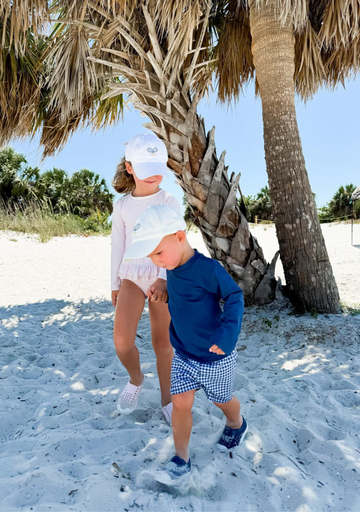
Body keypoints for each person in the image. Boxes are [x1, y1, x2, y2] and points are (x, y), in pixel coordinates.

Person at [123, 204, 247, 483]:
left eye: (158, 252)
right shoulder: (170, 268)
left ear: (180, 236)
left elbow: (235, 296)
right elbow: (180, 291)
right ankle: (181, 458)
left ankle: (236, 423)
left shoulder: (208, 269)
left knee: (221, 400)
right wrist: (164, 289)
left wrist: (227, 335)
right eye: (150, 255)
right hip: (184, 355)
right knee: (180, 404)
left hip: (216, 356)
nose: (155, 260)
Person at [111, 133, 181, 425]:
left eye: (158, 166)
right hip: (131, 276)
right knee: (122, 341)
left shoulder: (169, 201)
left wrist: (165, 279)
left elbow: (177, 243)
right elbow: (118, 244)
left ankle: (167, 399)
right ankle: (136, 378)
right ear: (130, 167)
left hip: (162, 275)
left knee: (162, 343)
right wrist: (114, 283)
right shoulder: (122, 206)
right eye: (145, 166)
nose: (154, 174)